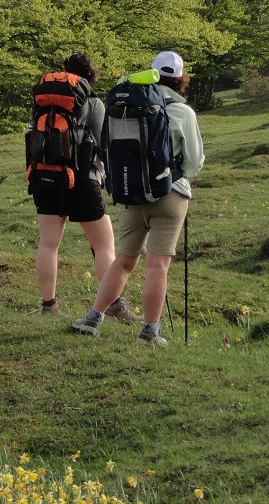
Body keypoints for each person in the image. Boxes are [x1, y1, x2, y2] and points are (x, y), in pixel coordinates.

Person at [70, 50, 204, 346]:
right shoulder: (183, 112)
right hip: (170, 195)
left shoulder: (129, 104)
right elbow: (194, 162)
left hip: (131, 192)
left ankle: (92, 319)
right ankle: (150, 332)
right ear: (180, 79)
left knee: (124, 261)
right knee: (157, 265)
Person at [30, 52, 140, 323]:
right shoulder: (93, 103)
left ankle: (48, 305)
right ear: (90, 75)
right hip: (81, 180)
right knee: (103, 245)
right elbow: (103, 143)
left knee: (48, 244)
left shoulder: (44, 103)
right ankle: (114, 305)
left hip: (45, 177)